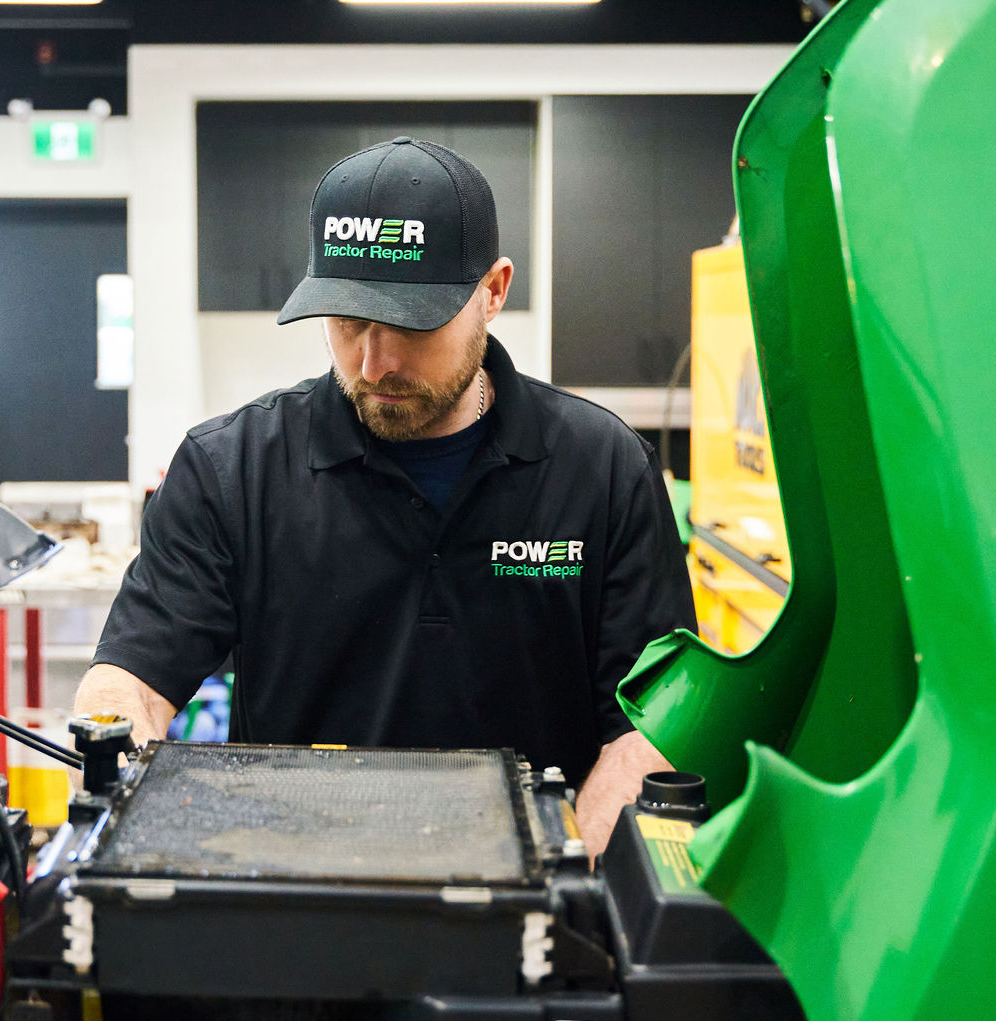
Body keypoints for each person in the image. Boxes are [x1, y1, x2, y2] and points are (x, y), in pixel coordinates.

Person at [73, 136, 694, 854]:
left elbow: (652, 726)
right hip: (291, 907)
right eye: (347, 321)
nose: (375, 361)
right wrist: (112, 774)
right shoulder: (230, 471)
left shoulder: (604, 471)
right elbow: (132, 680)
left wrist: (570, 894)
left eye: (409, 323)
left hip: (529, 921)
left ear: (493, 291)